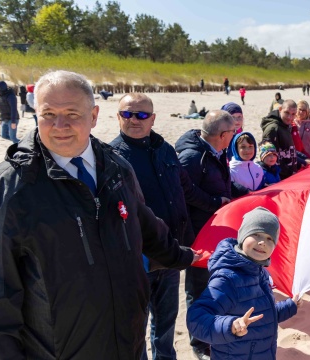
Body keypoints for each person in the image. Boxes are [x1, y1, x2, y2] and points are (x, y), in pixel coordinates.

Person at [0, 70, 198, 359]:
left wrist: (186, 256)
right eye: (48, 114)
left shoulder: (117, 168)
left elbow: (142, 223)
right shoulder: (7, 189)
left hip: (128, 344)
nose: (60, 125)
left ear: (93, 116)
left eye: (72, 114)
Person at [109, 93, 196, 360]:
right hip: (137, 259)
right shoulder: (110, 158)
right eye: (127, 114)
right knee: (137, 324)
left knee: (166, 322)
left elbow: (185, 190)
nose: (134, 120)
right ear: (118, 117)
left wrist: (219, 201)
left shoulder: (165, 149)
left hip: (170, 252)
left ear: (153, 118)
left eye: (142, 115)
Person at [187, 207, 302, 360]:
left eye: (270, 238)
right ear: (242, 236)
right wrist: (231, 326)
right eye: (256, 234)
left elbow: (263, 314)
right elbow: (196, 318)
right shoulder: (228, 279)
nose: (262, 242)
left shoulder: (260, 273)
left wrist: (290, 306)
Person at [175, 110, 237, 359]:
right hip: (197, 235)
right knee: (198, 290)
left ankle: (213, 333)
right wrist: (214, 202)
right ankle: (199, 342)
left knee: (216, 285)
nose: (233, 137)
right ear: (222, 134)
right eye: (232, 133)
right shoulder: (192, 157)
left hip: (213, 232)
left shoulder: (215, 152)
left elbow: (222, 183)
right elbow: (184, 192)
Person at [261, 100, 302, 179]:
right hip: (281, 178)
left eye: (293, 114)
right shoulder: (273, 129)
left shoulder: (286, 126)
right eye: (286, 113)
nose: (290, 117)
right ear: (280, 109)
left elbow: (289, 151)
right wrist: (289, 173)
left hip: (291, 174)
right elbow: (270, 158)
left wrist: (302, 161)